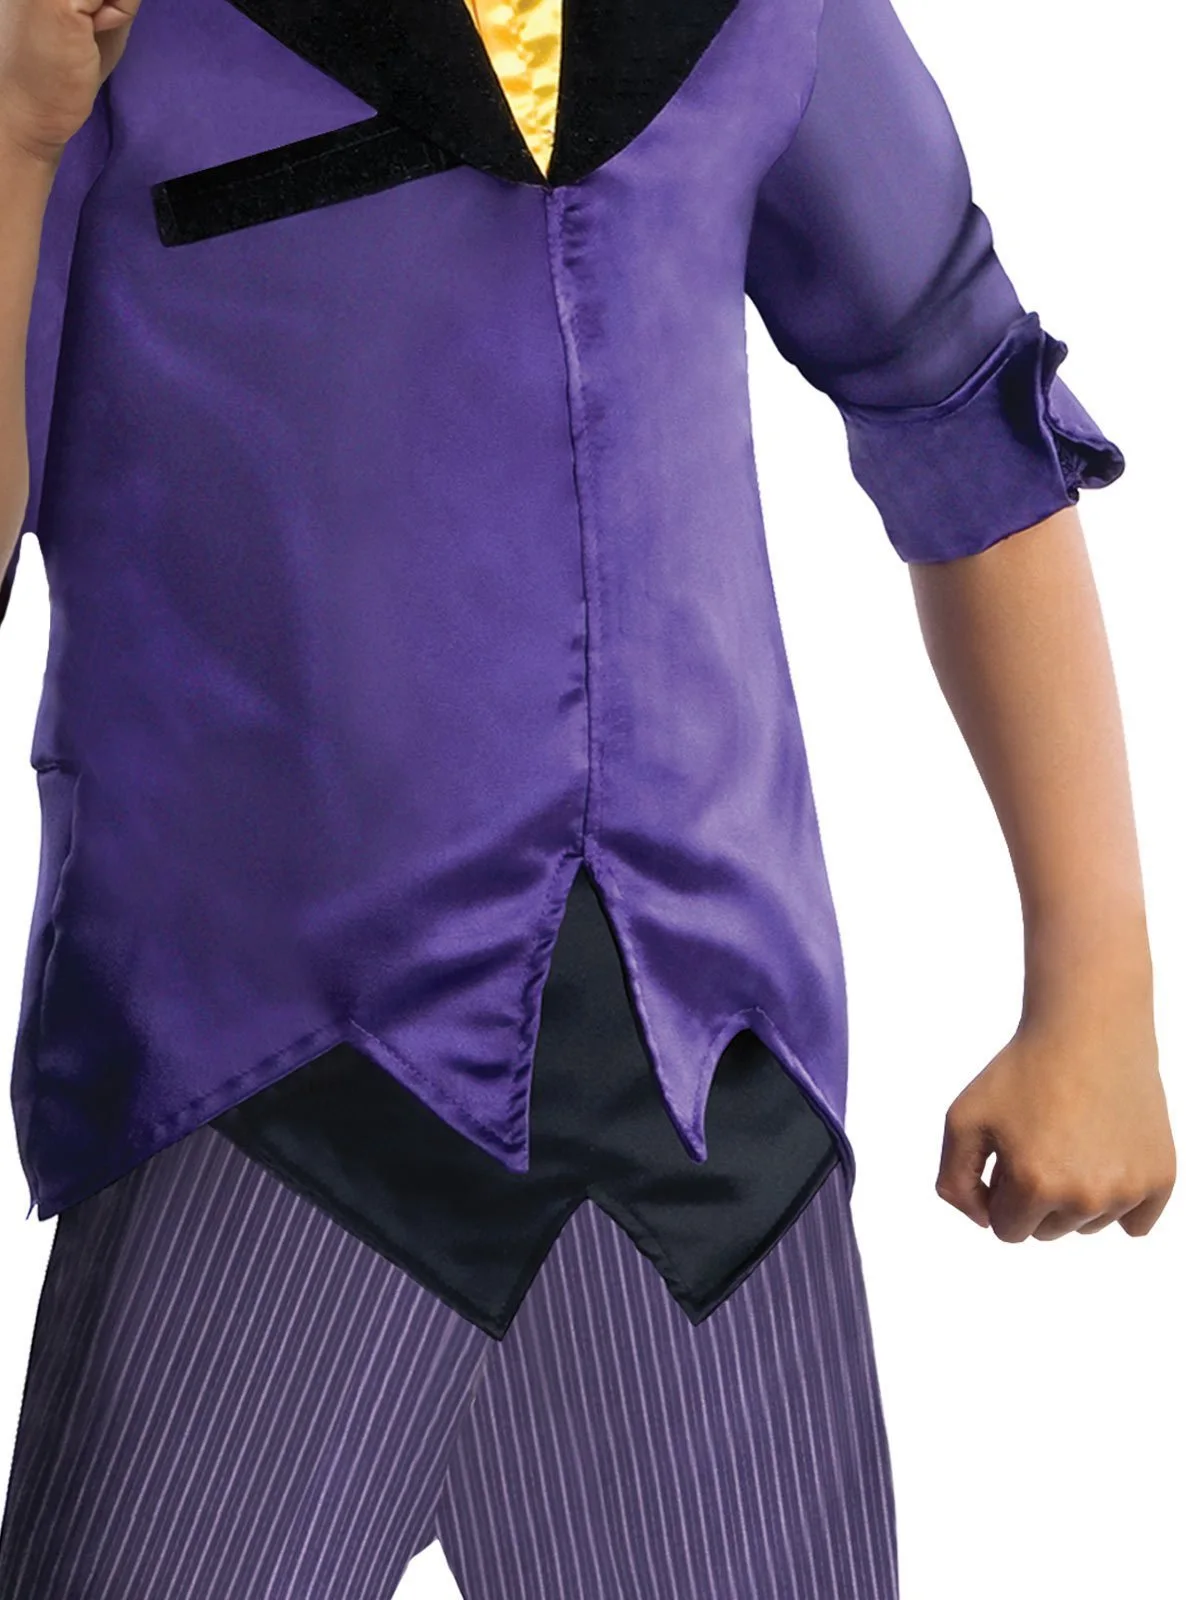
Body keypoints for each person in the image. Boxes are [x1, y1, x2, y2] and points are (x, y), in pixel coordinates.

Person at [0, 0, 1176, 1595]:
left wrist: (1097, 988)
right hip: (259, 1091)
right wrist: (14, 144)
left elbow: (960, 390)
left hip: (702, 1122)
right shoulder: (100, 28)